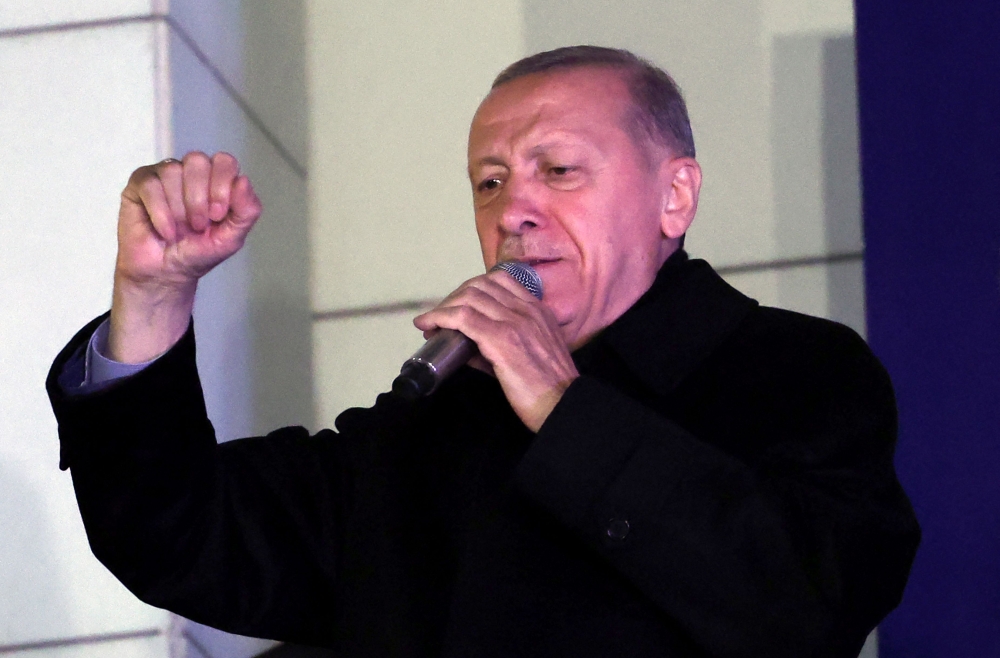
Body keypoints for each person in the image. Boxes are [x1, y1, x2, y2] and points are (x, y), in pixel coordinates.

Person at [47, 46, 919, 657]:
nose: (514, 212)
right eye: (491, 181)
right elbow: (183, 536)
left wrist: (567, 411)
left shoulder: (796, 371)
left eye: (560, 171)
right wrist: (157, 296)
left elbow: (807, 605)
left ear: (674, 195)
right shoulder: (433, 422)